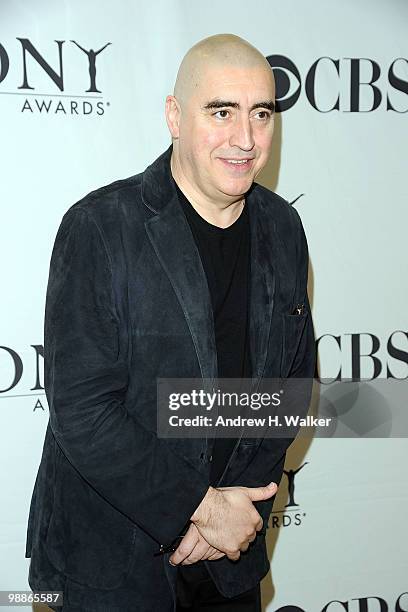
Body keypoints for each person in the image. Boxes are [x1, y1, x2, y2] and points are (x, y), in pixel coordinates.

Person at [25, 33, 316, 611]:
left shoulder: (284, 228)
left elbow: (292, 383)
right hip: (112, 562)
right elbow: (84, 410)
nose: (245, 139)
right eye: (221, 111)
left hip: (231, 556)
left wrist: (238, 511)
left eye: (261, 114)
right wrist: (199, 508)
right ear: (174, 116)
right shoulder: (101, 228)